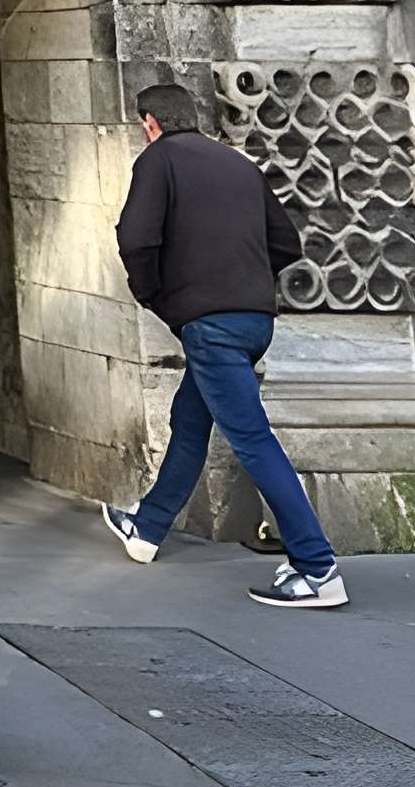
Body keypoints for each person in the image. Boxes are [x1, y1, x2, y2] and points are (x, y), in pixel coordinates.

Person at [100, 80, 346, 608]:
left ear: (150, 123)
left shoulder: (158, 159)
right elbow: (287, 243)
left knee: (252, 439)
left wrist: (154, 295)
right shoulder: (239, 165)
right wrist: (244, 283)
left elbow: (136, 238)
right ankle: (147, 526)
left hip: (211, 326)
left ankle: (317, 568)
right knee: (190, 420)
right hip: (254, 320)